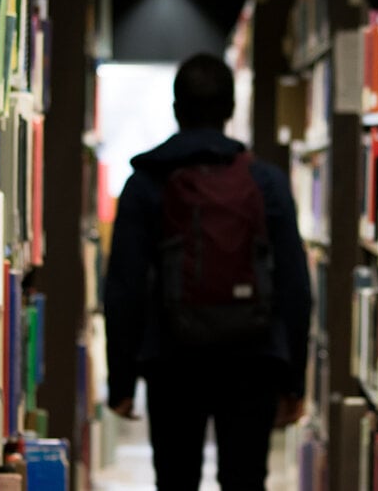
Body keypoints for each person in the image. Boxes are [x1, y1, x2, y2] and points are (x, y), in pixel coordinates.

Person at [104, 52, 312, 491]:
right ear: (231, 109)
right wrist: (293, 379)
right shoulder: (266, 181)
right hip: (252, 358)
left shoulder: (145, 181)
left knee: (176, 479)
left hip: (172, 358)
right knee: (245, 479)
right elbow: (295, 283)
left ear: (177, 109)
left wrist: (121, 379)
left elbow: (124, 286)